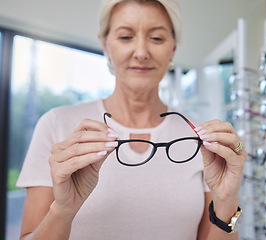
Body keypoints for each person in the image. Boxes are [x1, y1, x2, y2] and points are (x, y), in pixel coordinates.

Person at [17, 0, 247, 239]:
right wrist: (63, 211)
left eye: (157, 38)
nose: (141, 52)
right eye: (126, 37)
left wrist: (226, 203)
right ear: (106, 45)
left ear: (173, 48)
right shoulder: (57, 125)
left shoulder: (202, 139)